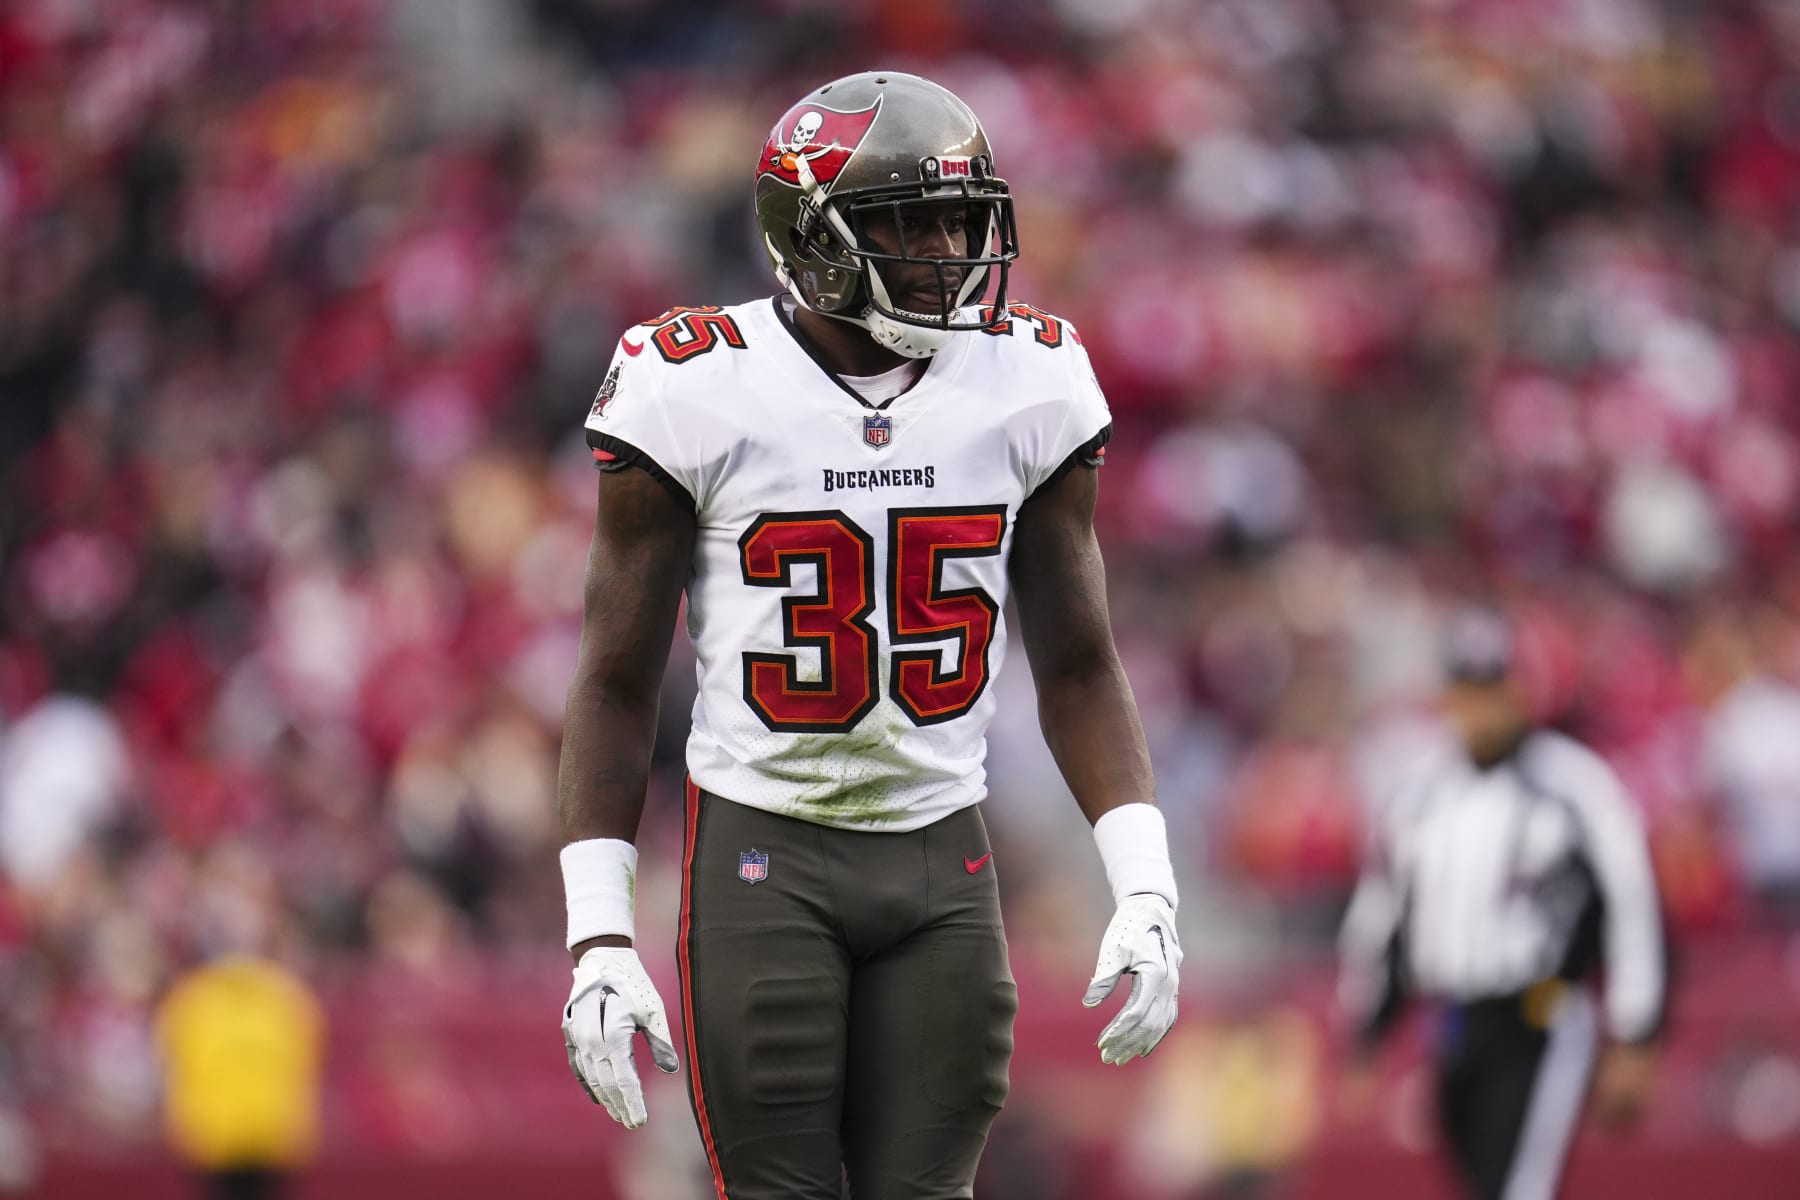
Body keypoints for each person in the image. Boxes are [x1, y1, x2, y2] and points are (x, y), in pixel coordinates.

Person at [555, 71, 1182, 1200]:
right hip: (763, 850)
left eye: (961, 215)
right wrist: (597, 932)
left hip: (944, 850)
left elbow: (1082, 662)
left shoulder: (1029, 379)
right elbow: (613, 682)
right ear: (812, 238)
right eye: (910, 223)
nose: (950, 247)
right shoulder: (690, 385)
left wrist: (1144, 883)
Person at [1337, 608, 1666, 1200]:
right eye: (1468, 692)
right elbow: (1386, 916)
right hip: (1454, 1020)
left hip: (1540, 1014)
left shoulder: (1574, 784)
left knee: (1519, 1189)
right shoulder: (1420, 795)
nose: (1480, 710)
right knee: (1481, 1184)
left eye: (1492, 691)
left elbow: (1631, 904)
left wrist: (1636, 1030)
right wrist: (1368, 1027)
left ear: (1520, 691)